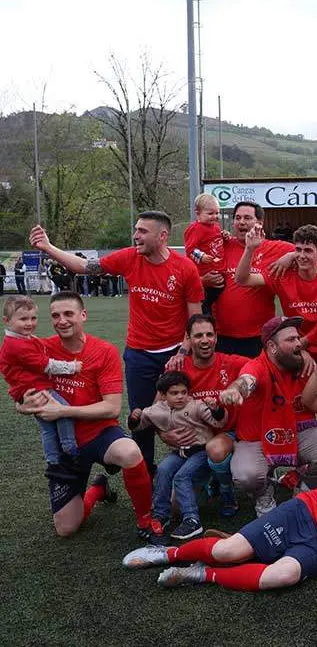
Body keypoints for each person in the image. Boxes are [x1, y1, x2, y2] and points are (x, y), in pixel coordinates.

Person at [121, 341, 317, 591]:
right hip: (305, 511)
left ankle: (201, 574)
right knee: (228, 550)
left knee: (283, 576)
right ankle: (166, 554)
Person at [31, 212, 205, 473]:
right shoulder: (129, 257)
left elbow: (196, 319)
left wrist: (183, 350)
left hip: (174, 353)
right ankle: (145, 471)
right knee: (140, 415)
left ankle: (193, 472)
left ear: (163, 236)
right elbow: (84, 267)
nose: (136, 236)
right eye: (136, 230)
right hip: (139, 354)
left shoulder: (185, 268)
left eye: (143, 231)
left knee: (187, 412)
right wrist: (48, 247)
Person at [15, 292, 154, 539]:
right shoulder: (41, 349)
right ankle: (98, 489)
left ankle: (146, 519)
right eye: (56, 315)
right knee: (66, 529)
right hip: (64, 446)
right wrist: (23, 405)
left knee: (130, 451)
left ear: (83, 315)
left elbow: (111, 408)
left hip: (100, 433)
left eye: (69, 314)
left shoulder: (104, 351)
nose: (62, 321)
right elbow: (20, 395)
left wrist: (63, 410)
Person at [219, 316, 317, 516]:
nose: (298, 344)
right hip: (257, 439)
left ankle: (305, 487)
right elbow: (246, 380)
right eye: (290, 340)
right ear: (272, 347)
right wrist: (236, 390)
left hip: (298, 432)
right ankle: (263, 492)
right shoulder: (258, 366)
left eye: (298, 338)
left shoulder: (306, 365)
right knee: (246, 476)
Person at [131, 371, 227, 540]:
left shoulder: (196, 405)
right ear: (162, 395)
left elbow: (218, 422)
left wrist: (216, 409)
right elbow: (138, 426)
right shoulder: (155, 410)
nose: (180, 397)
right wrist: (135, 417)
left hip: (201, 451)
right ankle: (161, 515)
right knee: (163, 470)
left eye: (184, 392)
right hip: (180, 453)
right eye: (174, 393)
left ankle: (192, 519)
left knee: (182, 477)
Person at [180, 313, 249, 518]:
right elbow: (159, 407)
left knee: (216, 449)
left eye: (209, 335)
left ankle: (226, 492)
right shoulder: (178, 368)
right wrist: (168, 435)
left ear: (216, 338)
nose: (204, 340)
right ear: (188, 338)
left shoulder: (231, 363)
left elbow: (261, 365)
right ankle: (212, 479)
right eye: (198, 335)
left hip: (232, 433)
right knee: (176, 507)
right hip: (197, 441)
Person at [1, 295, 83, 464]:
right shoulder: (16, 345)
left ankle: (53, 460)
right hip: (35, 389)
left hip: (27, 390)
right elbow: (45, 365)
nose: (30, 323)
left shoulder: (20, 339)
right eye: (23, 319)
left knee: (48, 426)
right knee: (63, 410)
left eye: (33, 318)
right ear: (6, 320)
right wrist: (71, 367)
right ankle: (70, 448)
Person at [205, 201, 293, 357]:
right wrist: (203, 280)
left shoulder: (275, 248)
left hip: (258, 337)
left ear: (259, 223)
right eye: (237, 218)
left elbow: (314, 253)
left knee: (256, 380)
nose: (241, 222)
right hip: (221, 335)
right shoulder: (221, 245)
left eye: (247, 218)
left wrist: (291, 256)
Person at [236, 224, 317, 337]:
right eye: (298, 250)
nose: (301, 255)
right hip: (296, 344)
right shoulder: (282, 274)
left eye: (308, 251)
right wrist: (249, 249)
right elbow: (243, 280)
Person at [184, 193, 226, 314]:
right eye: (210, 213)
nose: (215, 216)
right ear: (198, 213)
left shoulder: (216, 227)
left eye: (217, 213)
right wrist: (201, 256)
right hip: (205, 273)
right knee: (206, 301)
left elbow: (217, 241)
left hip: (218, 270)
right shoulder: (196, 228)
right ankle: (203, 313)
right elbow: (190, 249)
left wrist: (225, 236)